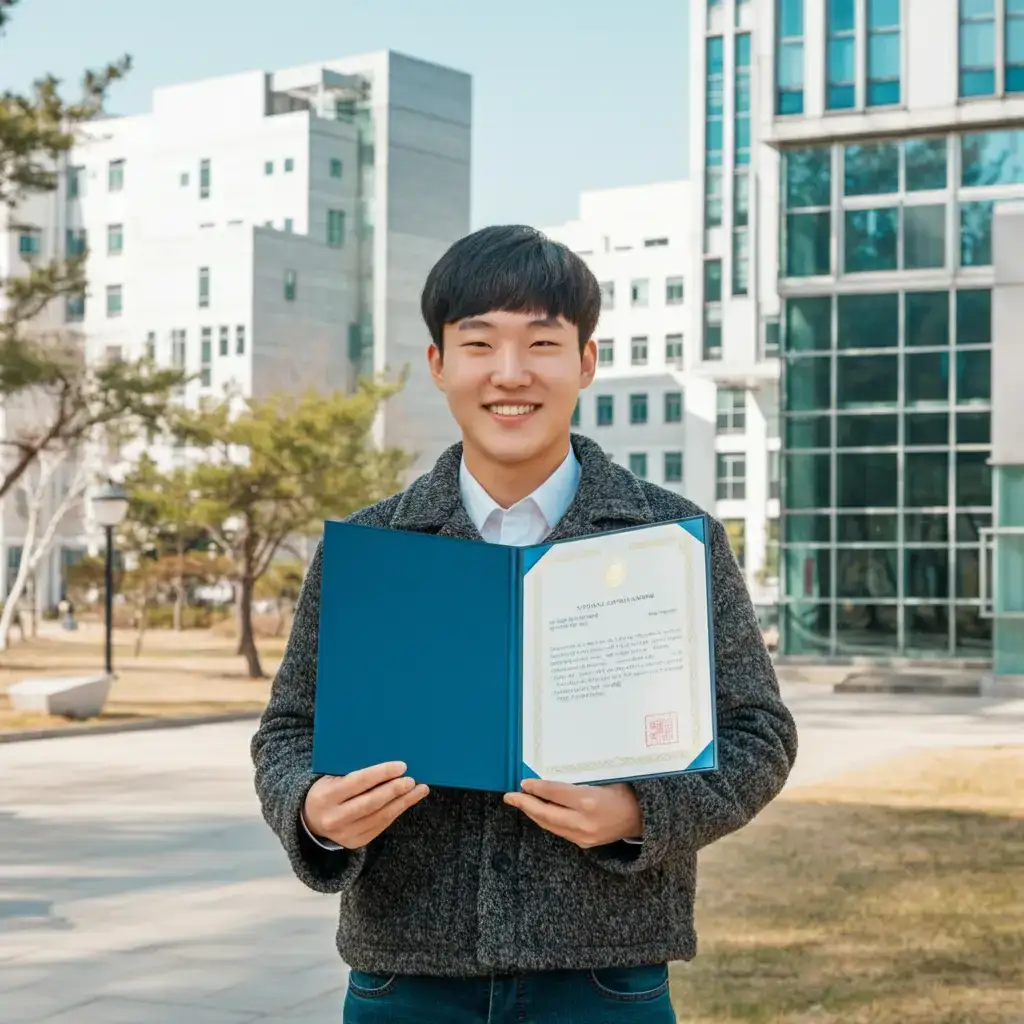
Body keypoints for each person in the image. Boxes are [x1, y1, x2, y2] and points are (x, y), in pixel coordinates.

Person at [251, 225, 798, 1023]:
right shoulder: (374, 548)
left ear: (586, 361)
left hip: (606, 974)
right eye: (479, 344)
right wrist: (312, 811)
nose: (510, 373)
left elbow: (758, 731)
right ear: (438, 363)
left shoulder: (669, 539)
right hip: (404, 975)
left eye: (542, 343)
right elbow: (287, 732)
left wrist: (640, 814)